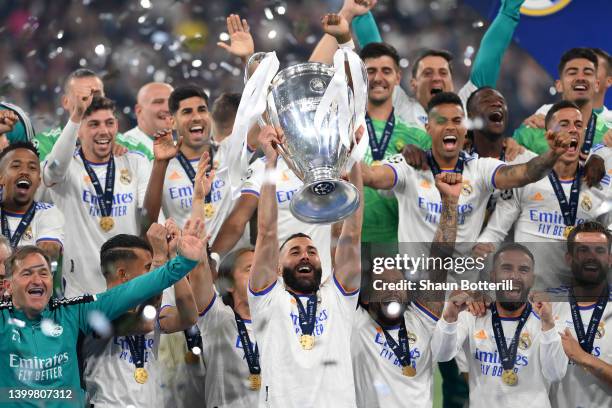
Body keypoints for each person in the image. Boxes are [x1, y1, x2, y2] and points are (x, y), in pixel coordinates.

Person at [0, 219, 204, 408]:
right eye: (27, 273)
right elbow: (144, 319)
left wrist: (179, 261)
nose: (37, 280)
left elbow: (168, 307)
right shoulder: (87, 313)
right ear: (8, 285)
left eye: (44, 273)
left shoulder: (74, 311)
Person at [361, 92, 571, 254]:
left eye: (456, 121)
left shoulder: (480, 169)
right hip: (417, 291)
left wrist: (553, 154)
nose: (450, 127)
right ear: (428, 128)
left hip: (461, 295)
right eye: (441, 121)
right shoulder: (408, 167)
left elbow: (526, 173)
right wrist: (347, 152)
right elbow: (370, 176)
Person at [247, 125, 363, 407]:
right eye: (295, 251)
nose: (305, 255)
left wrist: (355, 159)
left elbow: (353, 233)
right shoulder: (266, 299)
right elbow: (266, 233)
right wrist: (271, 164)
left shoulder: (340, 299)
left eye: (312, 251)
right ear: (277, 267)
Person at [351, 171, 461, 407]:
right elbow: (346, 242)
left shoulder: (420, 320)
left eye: (398, 284)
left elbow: (440, 259)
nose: (393, 290)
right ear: (367, 298)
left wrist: (450, 202)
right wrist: (352, 184)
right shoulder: (355, 324)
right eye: (384, 285)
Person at [477, 101, 612, 289]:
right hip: (527, 300)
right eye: (564, 124)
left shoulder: (599, 183)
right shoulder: (525, 176)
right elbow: (494, 233)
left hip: (574, 305)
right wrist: (473, 282)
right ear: (548, 134)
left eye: (578, 125)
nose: (573, 130)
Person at [340, 0, 527, 129]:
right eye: (427, 73)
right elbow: (375, 54)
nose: (436, 77)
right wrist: (360, 11)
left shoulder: (467, 105)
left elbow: (490, 54)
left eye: (443, 73)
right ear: (412, 84)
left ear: (452, 83)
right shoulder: (400, 107)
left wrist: (509, 12)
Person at [431, 243, 568, 407]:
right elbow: (441, 355)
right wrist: (449, 317)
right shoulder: (472, 316)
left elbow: (555, 374)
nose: (514, 276)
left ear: (532, 279)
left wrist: (548, 323)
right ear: (493, 276)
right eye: (507, 268)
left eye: (523, 270)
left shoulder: (550, 322)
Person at [42, 94, 152, 297]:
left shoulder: (136, 162)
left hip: (129, 287)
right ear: (79, 130)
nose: (104, 131)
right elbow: (53, 172)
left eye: (109, 123)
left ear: (117, 125)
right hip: (80, 291)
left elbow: (150, 215)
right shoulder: (66, 169)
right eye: (93, 124)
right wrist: (75, 116)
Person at [82, 223, 198, 408]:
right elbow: (144, 322)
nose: (154, 272)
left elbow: (189, 316)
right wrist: (159, 259)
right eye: (148, 266)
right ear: (123, 274)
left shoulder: (153, 310)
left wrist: (173, 256)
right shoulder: (91, 310)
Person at [143, 84, 256, 237]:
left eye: (202, 110)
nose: (196, 117)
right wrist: (160, 163)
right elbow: (148, 222)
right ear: (172, 122)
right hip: (187, 259)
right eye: (187, 112)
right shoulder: (161, 167)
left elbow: (263, 115)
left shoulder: (231, 151)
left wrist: (249, 62)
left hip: (234, 259)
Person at [550, 221, 612, 408]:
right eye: (583, 250)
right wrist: (480, 299)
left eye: (599, 250)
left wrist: (584, 357)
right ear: (569, 258)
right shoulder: (545, 306)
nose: (591, 257)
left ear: (610, 259)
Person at [32, 69, 149, 162]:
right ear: (65, 102)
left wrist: (130, 160)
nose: (91, 101)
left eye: (96, 95)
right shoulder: (44, 145)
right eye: (82, 96)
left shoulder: (132, 148)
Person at [514, 48, 611, 155]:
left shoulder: (607, 138)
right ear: (559, 85)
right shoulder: (531, 133)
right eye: (572, 73)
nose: (580, 78)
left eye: (587, 73)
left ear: (597, 85)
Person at [0, 141, 64, 294]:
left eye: (32, 168)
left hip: (31, 306)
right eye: (16, 166)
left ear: (38, 181)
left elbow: (47, 254)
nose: (25, 172)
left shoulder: (49, 213)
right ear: (1, 177)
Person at [121, 82, 174, 161]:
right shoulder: (123, 149)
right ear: (139, 111)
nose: (168, 108)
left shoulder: (180, 148)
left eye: (172, 102)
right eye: (158, 102)